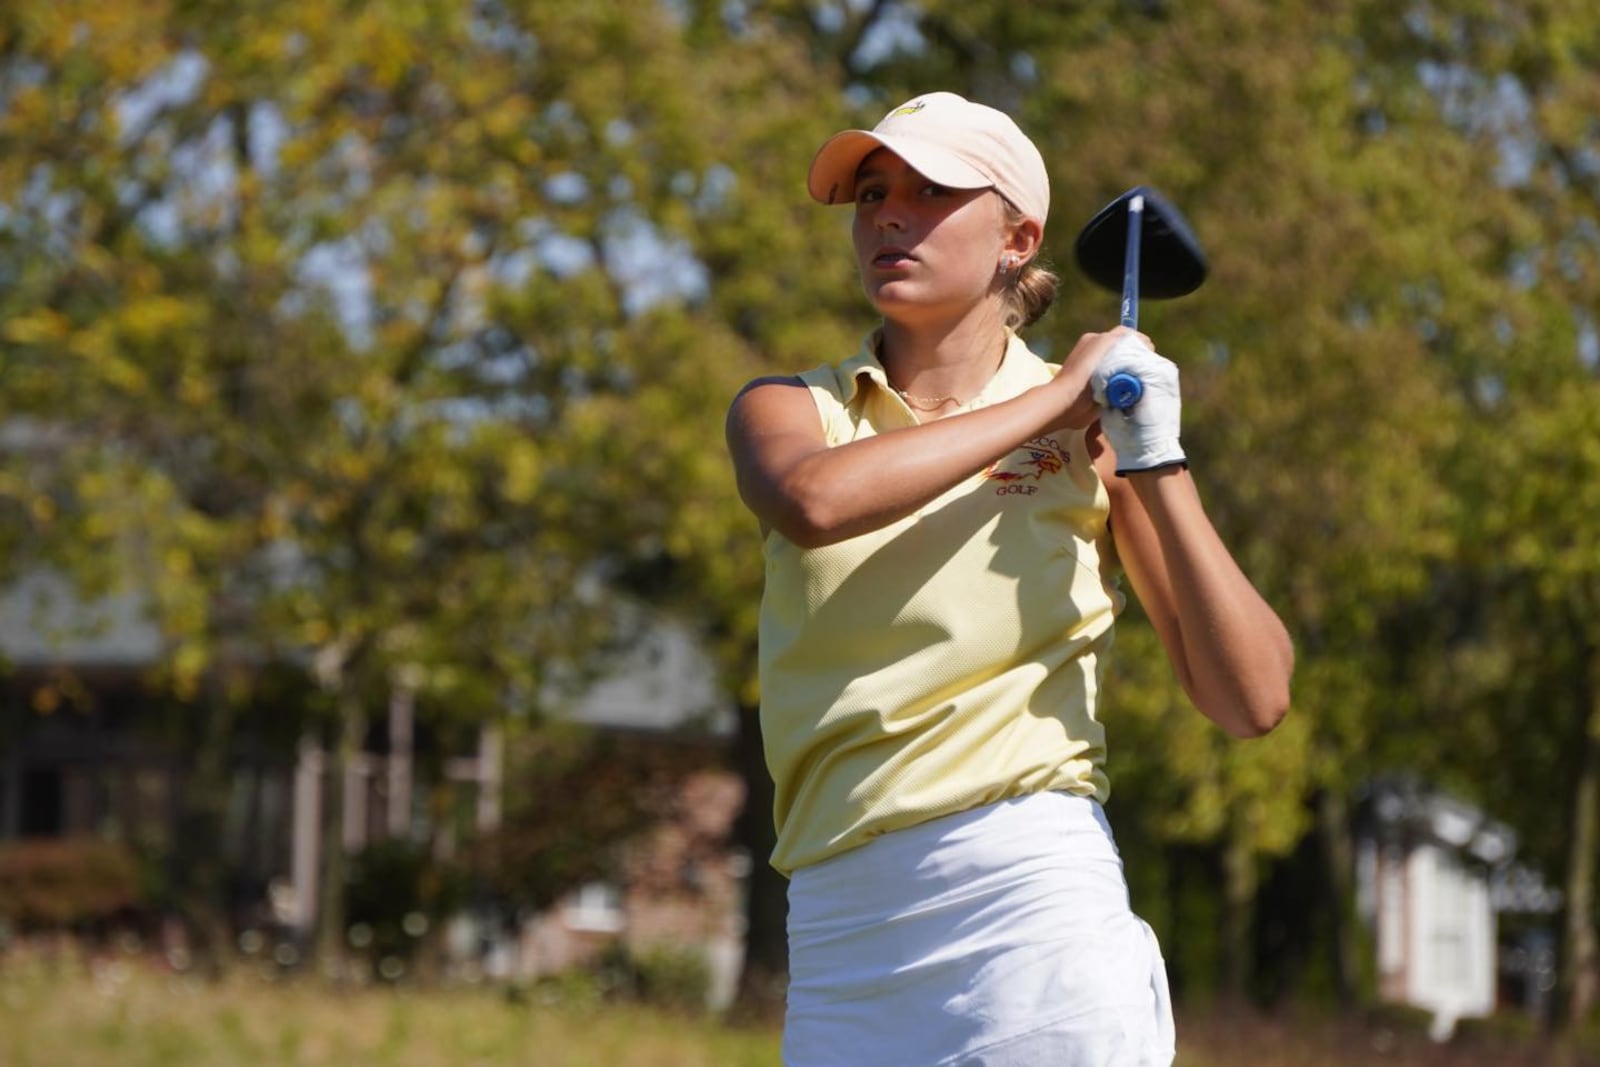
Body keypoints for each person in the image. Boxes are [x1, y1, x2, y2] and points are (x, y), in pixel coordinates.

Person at [724, 91, 1294, 1067]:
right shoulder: (788, 408)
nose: (887, 215)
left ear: (1015, 237)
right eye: (870, 192)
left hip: (1026, 907)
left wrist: (1153, 453)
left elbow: (1251, 696)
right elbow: (814, 503)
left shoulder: (1094, 439)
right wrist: (1049, 406)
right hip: (836, 935)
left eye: (930, 189)